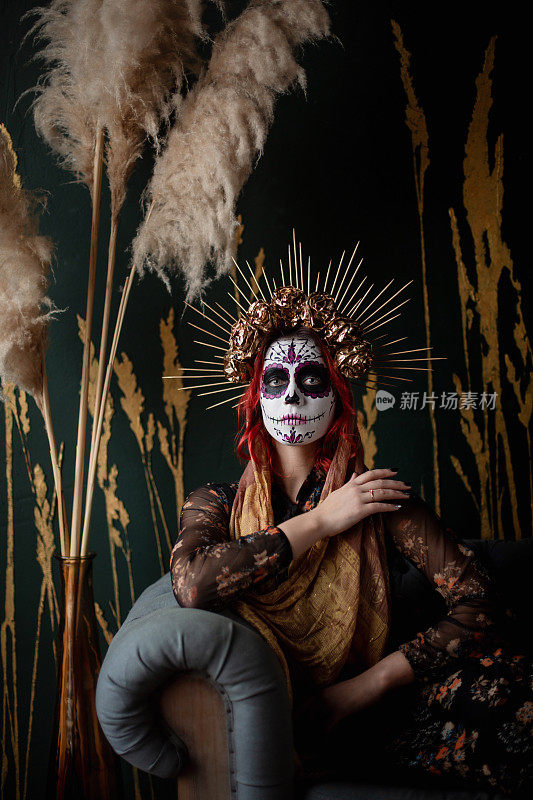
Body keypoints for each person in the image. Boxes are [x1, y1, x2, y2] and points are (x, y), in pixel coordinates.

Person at [170, 294, 532, 797]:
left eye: (312, 379)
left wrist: (369, 685)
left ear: (338, 396)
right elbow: (193, 585)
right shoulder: (215, 503)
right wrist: (322, 520)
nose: (293, 396)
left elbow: (482, 602)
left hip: (382, 711)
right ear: (255, 397)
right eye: (276, 380)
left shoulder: (375, 498)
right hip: (280, 718)